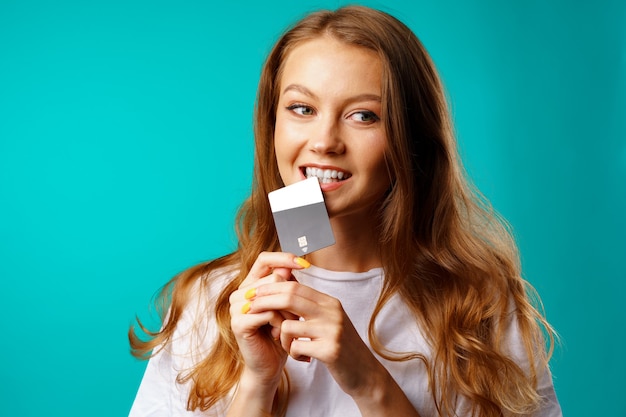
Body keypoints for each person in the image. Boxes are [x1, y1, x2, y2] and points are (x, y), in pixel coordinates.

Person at [128, 5, 561, 417]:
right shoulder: (207, 302)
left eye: (363, 116)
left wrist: (368, 380)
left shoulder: (481, 309)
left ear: (412, 138)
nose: (324, 141)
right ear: (272, 124)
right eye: (302, 109)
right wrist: (257, 384)